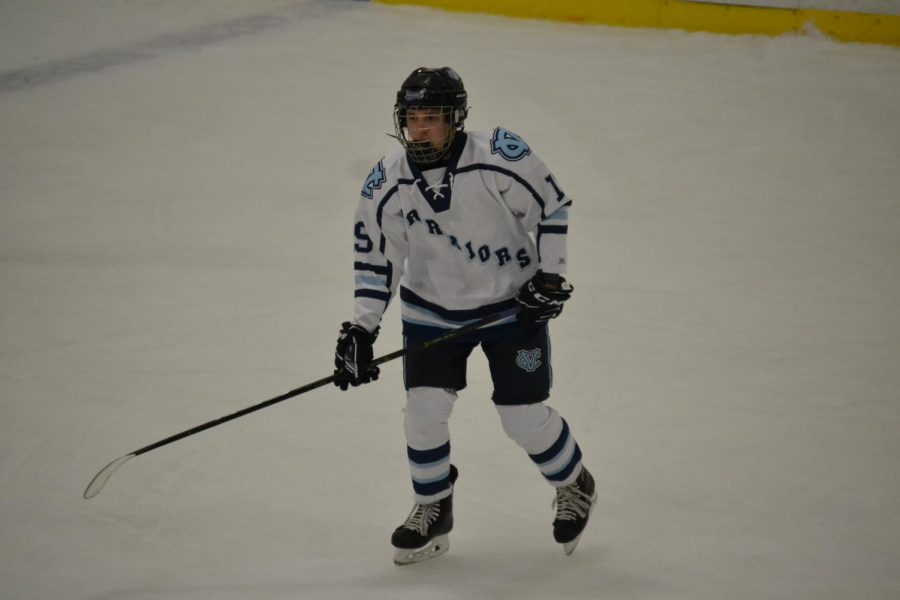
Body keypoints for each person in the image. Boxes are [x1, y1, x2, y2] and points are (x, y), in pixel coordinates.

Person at [333, 66, 596, 565]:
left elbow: (553, 206)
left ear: (456, 117)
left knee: (521, 417)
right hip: (431, 312)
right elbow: (376, 258)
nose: (420, 129)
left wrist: (551, 277)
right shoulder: (386, 179)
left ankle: (574, 482)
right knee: (423, 413)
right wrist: (362, 328)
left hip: (510, 309)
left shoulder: (497, 156)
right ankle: (433, 505)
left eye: (431, 117)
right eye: (412, 118)